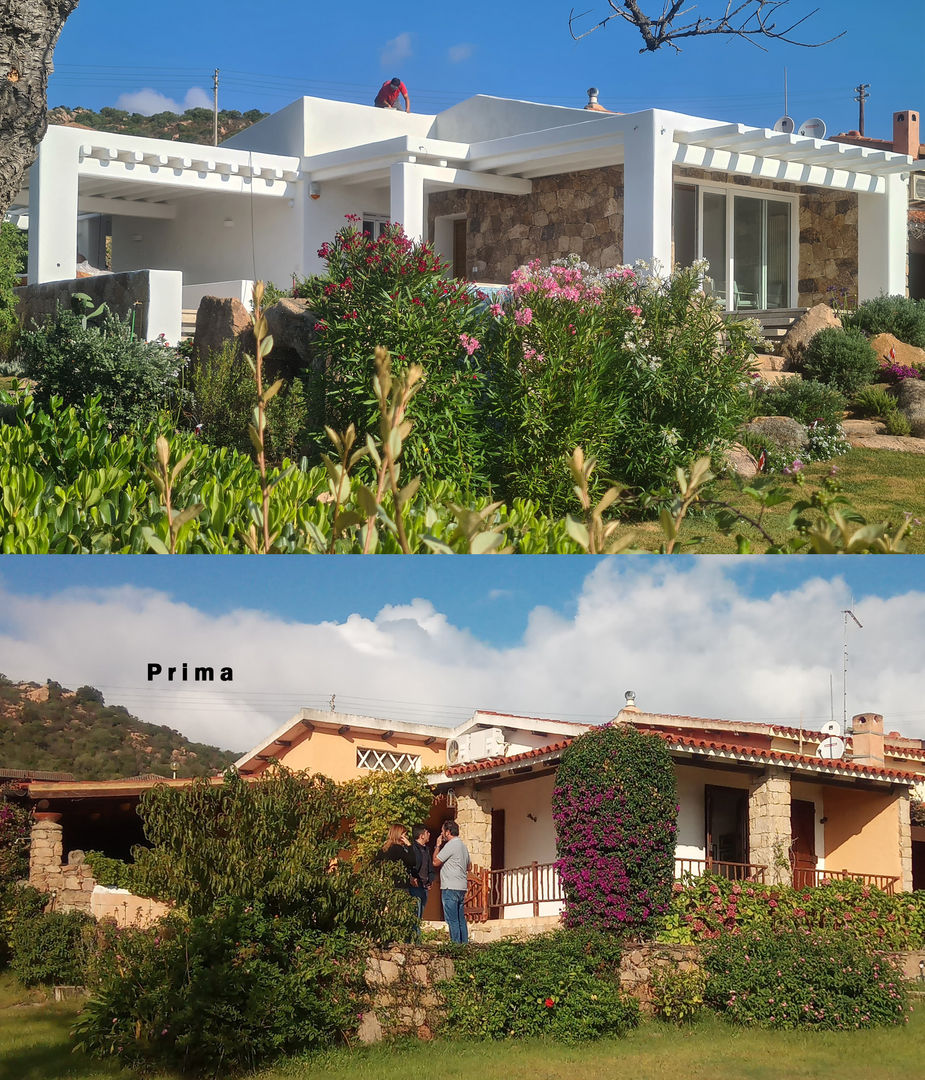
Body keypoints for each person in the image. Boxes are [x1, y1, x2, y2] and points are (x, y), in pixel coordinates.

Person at [432, 819, 470, 944]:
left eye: (443, 831)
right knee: (460, 919)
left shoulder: (451, 845)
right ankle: (464, 945)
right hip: (461, 886)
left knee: (452, 920)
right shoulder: (463, 846)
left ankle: (455, 946)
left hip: (450, 886)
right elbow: (468, 866)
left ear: (448, 832)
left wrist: (437, 845)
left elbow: (436, 861)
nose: (442, 834)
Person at [409, 824, 433, 919]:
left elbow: (429, 866)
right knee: (415, 915)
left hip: (424, 887)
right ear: (422, 835)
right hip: (415, 886)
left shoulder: (426, 850)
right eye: (427, 832)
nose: (429, 834)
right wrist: (411, 877)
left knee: (420, 916)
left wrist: (430, 880)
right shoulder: (413, 848)